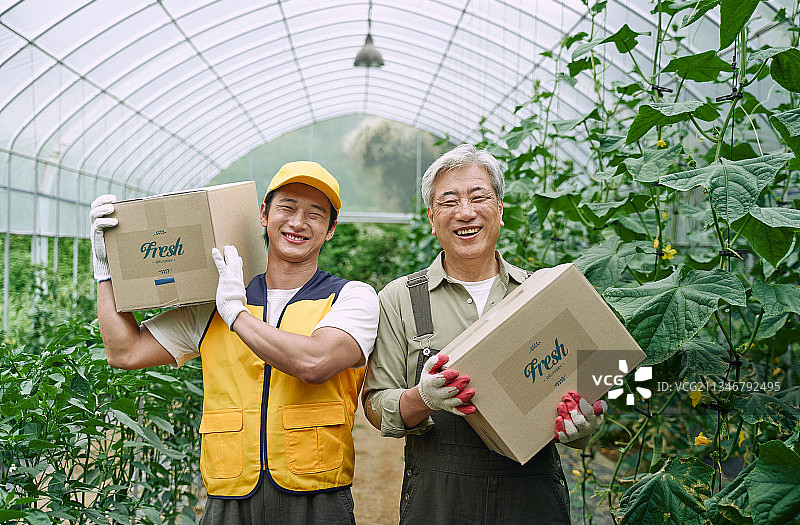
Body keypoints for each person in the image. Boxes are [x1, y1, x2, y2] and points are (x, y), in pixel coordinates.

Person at [91, 161, 379, 525]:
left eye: (315, 214)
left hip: (317, 493)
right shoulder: (216, 303)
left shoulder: (350, 297)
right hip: (230, 491)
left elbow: (315, 362)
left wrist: (237, 315)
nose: (297, 223)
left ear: (331, 229)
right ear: (263, 214)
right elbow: (125, 351)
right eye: (287, 208)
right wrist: (107, 272)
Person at [361, 144, 607, 524]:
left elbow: (587, 382)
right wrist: (423, 397)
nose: (465, 212)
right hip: (439, 498)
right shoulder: (400, 299)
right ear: (431, 217)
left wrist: (583, 424)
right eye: (449, 201)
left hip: (531, 493)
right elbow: (376, 406)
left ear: (500, 209)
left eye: (479, 197)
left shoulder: (542, 294)